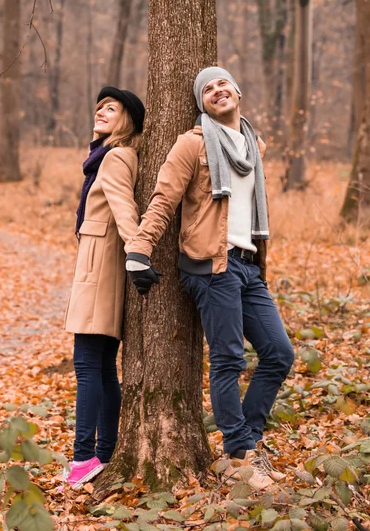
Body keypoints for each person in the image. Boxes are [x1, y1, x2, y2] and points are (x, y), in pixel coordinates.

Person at [125, 67, 294, 490]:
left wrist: (256, 262)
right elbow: (164, 197)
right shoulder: (192, 144)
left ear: (237, 90)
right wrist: (139, 249)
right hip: (211, 266)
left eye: (223, 83)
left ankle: (248, 442)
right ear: (202, 103)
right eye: (208, 89)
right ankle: (239, 454)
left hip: (248, 265)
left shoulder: (253, 146)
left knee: (279, 353)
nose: (218, 90)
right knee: (229, 360)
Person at [63, 86, 145, 489]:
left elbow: (123, 206)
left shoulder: (115, 157)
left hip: (101, 268)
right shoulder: (107, 156)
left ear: (126, 120)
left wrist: (138, 251)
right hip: (101, 266)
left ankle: (83, 457)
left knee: (86, 364)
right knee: (102, 367)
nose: (100, 113)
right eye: (98, 108)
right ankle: (105, 453)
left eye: (110, 109)